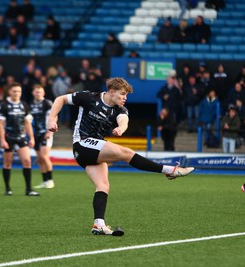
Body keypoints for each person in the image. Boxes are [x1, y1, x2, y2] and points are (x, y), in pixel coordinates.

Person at [47, 77, 194, 236]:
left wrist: (121, 129)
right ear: (111, 92)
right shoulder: (89, 97)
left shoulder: (120, 109)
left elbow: (124, 121)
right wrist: (51, 120)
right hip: (82, 144)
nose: (125, 98)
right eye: (122, 94)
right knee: (126, 153)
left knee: (103, 186)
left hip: (93, 150)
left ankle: (99, 224)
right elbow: (60, 99)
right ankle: (169, 170)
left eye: (126, 95)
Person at [0, 82, 40, 196]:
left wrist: (31, 138)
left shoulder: (24, 105)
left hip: (21, 137)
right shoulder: (4, 105)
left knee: (27, 161)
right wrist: (2, 140)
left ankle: (29, 189)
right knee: (7, 163)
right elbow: (0, 124)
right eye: (14, 91)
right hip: (8, 137)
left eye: (19, 91)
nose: (17, 93)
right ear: (9, 92)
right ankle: (8, 188)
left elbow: (28, 123)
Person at [30, 85, 54, 189]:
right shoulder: (31, 104)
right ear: (33, 93)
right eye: (36, 92)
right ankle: (45, 181)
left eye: (40, 92)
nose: (38, 94)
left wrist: (50, 132)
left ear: (43, 93)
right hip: (36, 134)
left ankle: (50, 180)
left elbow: (53, 117)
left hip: (45, 133)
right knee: (40, 159)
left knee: (45, 157)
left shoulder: (47, 103)